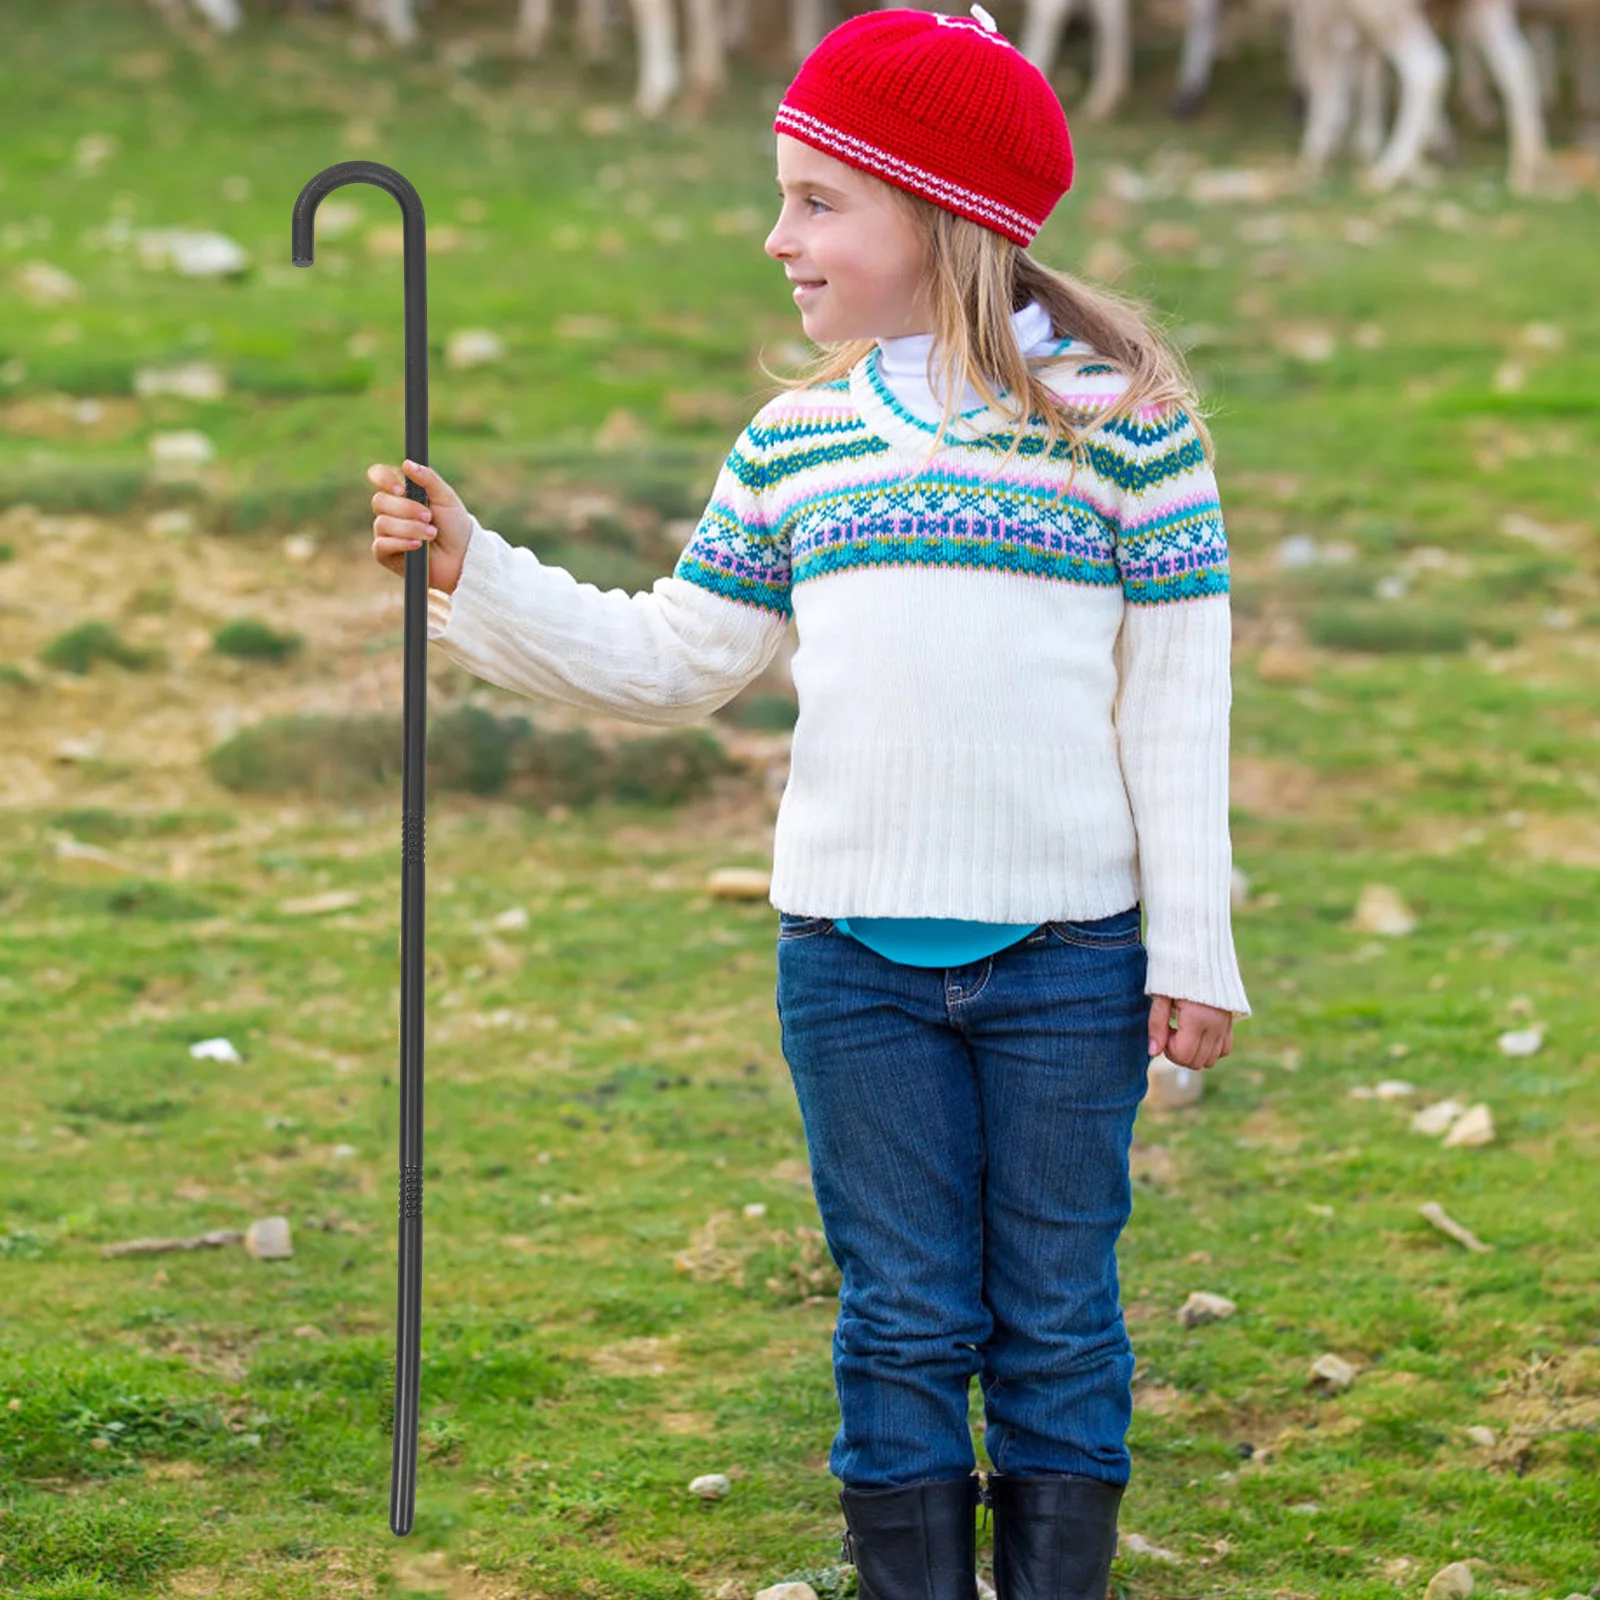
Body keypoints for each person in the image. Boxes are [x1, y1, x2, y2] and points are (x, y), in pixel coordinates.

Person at [367, 6, 1250, 1595]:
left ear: (943, 215)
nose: (778, 238)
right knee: (902, 1314)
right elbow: (676, 656)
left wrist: (1194, 948)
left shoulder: (1125, 431)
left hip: (1071, 964)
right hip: (850, 968)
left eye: (816, 201)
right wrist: (472, 570)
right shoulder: (799, 444)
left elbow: (1177, 706)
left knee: (1057, 1314)